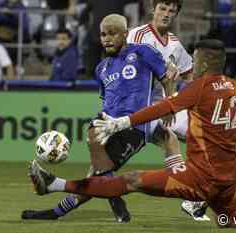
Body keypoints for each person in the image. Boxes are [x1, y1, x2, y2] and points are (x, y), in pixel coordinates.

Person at [28, 39, 236, 231]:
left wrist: (122, 123)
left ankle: (54, 184)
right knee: (229, 218)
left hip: (201, 177)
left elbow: (161, 107)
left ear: (206, 63)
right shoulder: (234, 88)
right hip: (228, 176)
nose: (192, 65)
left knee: (130, 180)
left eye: (195, 60)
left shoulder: (199, 87)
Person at [22, 13, 180, 223]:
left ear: (125, 34)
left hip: (134, 125)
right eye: (103, 34)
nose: (106, 38)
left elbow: (167, 77)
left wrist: (169, 106)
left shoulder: (142, 52)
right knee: (95, 172)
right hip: (108, 125)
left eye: (112, 34)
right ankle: (59, 211)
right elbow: (107, 101)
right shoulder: (102, 68)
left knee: (97, 170)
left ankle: (66, 190)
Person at [127, 0, 208, 220]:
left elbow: (191, 76)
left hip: (165, 104)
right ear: (154, 9)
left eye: (172, 11)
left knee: (203, 136)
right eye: (163, 8)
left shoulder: (174, 43)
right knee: (168, 139)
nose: (166, 14)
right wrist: (162, 72)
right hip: (138, 104)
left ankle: (192, 198)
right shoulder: (138, 35)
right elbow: (127, 68)